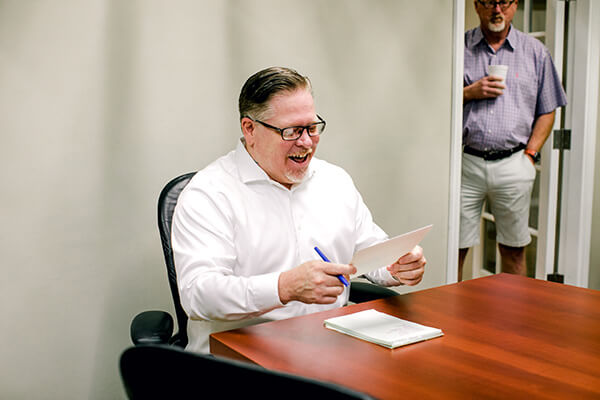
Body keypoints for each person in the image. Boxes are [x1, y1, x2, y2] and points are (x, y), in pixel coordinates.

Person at [171, 66, 427, 353]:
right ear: (250, 129)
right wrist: (283, 287)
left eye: (312, 127)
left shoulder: (335, 180)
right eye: (291, 130)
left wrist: (397, 267)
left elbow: (370, 253)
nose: (306, 142)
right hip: (240, 357)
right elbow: (198, 296)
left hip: (331, 347)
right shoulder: (209, 193)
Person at [459, 0, 567, 281]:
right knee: (454, 248)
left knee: (514, 248)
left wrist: (530, 155)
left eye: (504, 2)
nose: (497, 9)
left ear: (515, 5)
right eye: (488, 2)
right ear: (476, 6)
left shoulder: (536, 52)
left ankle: (516, 320)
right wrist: (469, 92)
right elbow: (437, 102)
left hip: (513, 162)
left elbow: (548, 109)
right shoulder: (458, 47)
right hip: (465, 162)